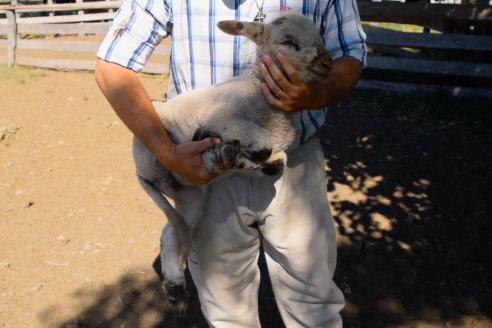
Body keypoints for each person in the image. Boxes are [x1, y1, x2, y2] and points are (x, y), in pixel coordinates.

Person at [95, 1, 366, 327]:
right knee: (226, 313)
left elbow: (350, 52)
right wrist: (167, 153)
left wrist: (316, 94)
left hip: (294, 164)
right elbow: (112, 66)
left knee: (314, 302)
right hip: (206, 171)